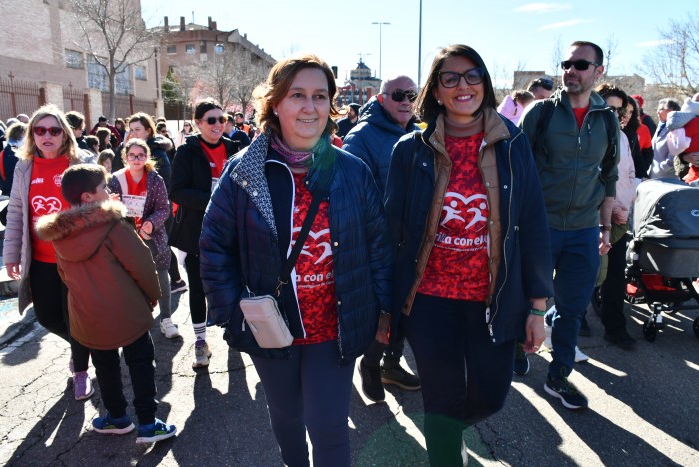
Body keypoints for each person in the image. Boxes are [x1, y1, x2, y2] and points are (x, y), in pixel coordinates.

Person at [199, 53, 392, 467]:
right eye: (297, 95)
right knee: (286, 417)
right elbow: (215, 247)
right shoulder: (244, 173)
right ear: (275, 105)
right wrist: (234, 315)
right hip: (272, 326)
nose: (310, 107)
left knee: (329, 427)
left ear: (330, 105)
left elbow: (378, 245)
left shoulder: (352, 171)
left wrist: (383, 309)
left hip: (333, 328)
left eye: (320, 96)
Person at [386, 44, 552, 466]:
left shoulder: (513, 145)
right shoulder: (410, 149)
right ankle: (445, 449)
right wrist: (385, 308)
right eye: (450, 78)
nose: (464, 85)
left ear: (485, 83)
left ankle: (450, 432)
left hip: (492, 298)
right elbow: (391, 233)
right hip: (430, 300)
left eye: (473, 75)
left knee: (490, 395)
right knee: (440, 402)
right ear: (436, 91)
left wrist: (537, 305)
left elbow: (531, 225)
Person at [34, 164, 176, 444]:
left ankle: (115, 417)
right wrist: (151, 296)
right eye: (103, 188)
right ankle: (148, 423)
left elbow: (64, 275)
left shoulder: (60, 234)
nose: (109, 192)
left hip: (86, 314)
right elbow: (142, 265)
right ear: (88, 197)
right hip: (127, 310)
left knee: (105, 365)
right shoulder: (113, 225)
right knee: (140, 363)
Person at [520, 40, 619, 410]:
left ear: (598, 72)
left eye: (580, 64)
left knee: (573, 307)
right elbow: (519, 171)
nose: (570, 70)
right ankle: (518, 342)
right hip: (540, 226)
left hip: (582, 230)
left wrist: (605, 230)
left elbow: (608, 176)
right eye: (566, 63)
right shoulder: (541, 113)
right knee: (525, 299)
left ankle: (558, 375)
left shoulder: (606, 118)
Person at [2, 104, 94, 400]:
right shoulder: (24, 167)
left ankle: (80, 370)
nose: (47, 136)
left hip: (76, 258)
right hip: (41, 260)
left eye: (54, 130)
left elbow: (96, 208)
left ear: (64, 135)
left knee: (74, 318)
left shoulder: (80, 163)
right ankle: (88, 346)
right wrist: (11, 253)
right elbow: (16, 211)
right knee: (46, 317)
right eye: (40, 130)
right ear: (32, 135)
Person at [343, 74, 422, 401]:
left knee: (407, 309)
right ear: (381, 99)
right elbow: (350, 194)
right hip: (378, 244)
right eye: (398, 95)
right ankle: (370, 364)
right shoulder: (361, 137)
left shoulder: (420, 134)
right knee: (381, 312)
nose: (406, 101)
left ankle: (390, 363)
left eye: (411, 95)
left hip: (415, 242)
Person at [169, 98, 236, 368]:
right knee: (198, 287)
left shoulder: (234, 147)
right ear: (198, 123)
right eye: (211, 120)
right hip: (197, 232)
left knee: (232, 283)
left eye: (221, 119)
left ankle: (234, 330)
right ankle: (200, 341)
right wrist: (214, 197)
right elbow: (177, 191)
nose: (218, 125)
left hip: (231, 232)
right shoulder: (187, 152)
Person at [109, 139, 177, 339]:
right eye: (132, 155)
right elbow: (108, 210)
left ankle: (166, 318)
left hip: (152, 235)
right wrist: (111, 204)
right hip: (126, 236)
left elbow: (164, 208)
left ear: (146, 157)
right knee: (130, 277)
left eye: (140, 155)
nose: (136, 159)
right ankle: (137, 318)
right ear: (125, 157)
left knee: (162, 273)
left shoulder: (155, 179)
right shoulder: (116, 179)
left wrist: (151, 223)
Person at [595, 84, 637, 349]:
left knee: (615, 277)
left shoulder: (621, 136)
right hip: (593, 218)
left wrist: (625, 205)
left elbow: (629, 174)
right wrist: (607, 210)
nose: (617, 114)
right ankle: (576, 322)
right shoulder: (589, 135)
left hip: (620, 218)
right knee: (590, 275)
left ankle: (615, 328)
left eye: (620, 109)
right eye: (610, 107)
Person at [0, 122, 26, 225]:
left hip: (9, 186)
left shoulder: (8, 149)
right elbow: (12, 173)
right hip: (13, 187)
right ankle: (4, 216)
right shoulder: (13, 152)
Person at [650, 98, 681, 179]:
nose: (657, 112)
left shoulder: (676, 128)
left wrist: (662, 168)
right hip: (654, 176)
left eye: (660, 109)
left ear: (670, 111)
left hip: (667, 178)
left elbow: (675, 153)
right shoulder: (661, 126)